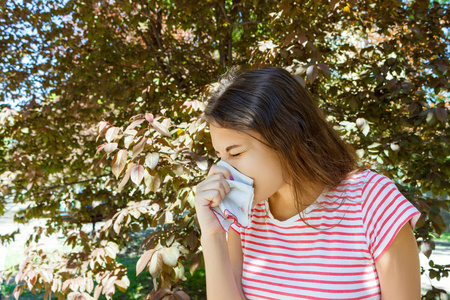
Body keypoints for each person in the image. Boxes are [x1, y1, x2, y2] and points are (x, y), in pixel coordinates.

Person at [194, 67, 421, 300]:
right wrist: (212, 236)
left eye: (236, 153)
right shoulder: (245, 215)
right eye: (220, 155)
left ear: (287, 136)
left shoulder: (372, 200)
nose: (224, 171)